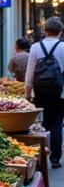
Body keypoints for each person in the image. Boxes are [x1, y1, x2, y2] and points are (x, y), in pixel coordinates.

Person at [26, 17, 64, 168]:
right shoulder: (63, 47)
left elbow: (29, 74)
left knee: (42, 124)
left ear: (45, 31)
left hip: (40, 92)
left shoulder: (35, 47)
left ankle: (42, 156)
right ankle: (55, 159)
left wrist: (28, 94)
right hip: (60, 92)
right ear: (60, 32)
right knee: (57, 124)